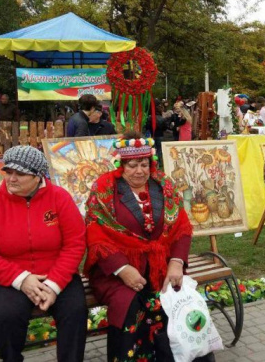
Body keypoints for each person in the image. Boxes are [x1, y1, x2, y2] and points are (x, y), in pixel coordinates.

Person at [84, 134, 213, 361]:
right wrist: (122, 269)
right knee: (129, 302)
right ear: (121, 164)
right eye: (132, 165)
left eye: (144, 164)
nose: (139, 171)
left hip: (162, 265)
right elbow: (96, 234)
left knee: (175, 297)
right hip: (116, 270)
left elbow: (181, 225)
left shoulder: (163, 184)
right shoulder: (104, 189)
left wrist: (176, 262)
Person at [0, 146, 87, 362]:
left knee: (75, 310)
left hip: (56, 273)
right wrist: (21, 280)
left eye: (20, 174)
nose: (11, 179)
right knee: (7, 316)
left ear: (37, 176)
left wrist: (54, 285)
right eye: (8, 172)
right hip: (6, 278)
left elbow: (75, 244)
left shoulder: (60, 198)